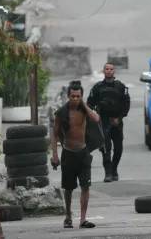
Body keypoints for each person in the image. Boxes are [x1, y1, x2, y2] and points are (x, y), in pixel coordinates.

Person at [51, 80, 101, 229]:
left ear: (81, 96)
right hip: (68, 153)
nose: (75, 99)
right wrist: (55, 155)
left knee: (85, 186)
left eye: (78, 96)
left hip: (83, 153)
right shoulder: (62, 112)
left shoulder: (84, 110)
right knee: (68, 188)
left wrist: (84, 105)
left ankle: (83, 219)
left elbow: (96, 119)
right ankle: (68, 216)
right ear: (68, 96)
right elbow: (54, 134)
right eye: (72, 96)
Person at [87, 62, 130, 182]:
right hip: (103, 121)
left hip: (117, 121)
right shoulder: (97, 87)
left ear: (114, 71)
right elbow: (89, 104)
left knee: (118, 149)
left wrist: (120, 118)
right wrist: (95, 116)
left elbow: (126, 104)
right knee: (106, 149)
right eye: (107, 69)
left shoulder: (120, 86)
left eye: (111, 69)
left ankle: (114, 169)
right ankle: (108, 173)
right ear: (103, 71)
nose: (109, 71)